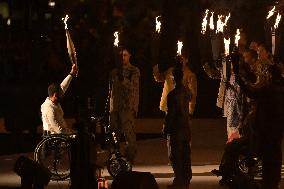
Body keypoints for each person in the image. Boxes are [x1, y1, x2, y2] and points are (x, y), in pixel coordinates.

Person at [153, 52, 197, 164]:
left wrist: (190, 111)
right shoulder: (170, 71)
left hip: (183, 109)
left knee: (184, 134)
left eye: (183, 58)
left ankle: (184, 157)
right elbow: (158, 78)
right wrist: (155, 64)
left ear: (187, 60)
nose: (181, 60)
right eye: (179, 58)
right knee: (171, 134)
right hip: (170, 106)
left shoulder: (190, 75)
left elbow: (193, 94)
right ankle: (173, 158)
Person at [109, 48, 140, 163]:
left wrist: (123, 79)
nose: (123, 58)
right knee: (114, 133)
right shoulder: (114, 72)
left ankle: (129, 158)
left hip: (127, 107)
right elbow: (111, 91)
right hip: (115, 107)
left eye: (125, 55)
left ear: (129, 56)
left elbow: (133, 88)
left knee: (129, 134)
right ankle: (115, 157)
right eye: (121, 55)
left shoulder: (134, 70)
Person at [164, 65, 192, 189]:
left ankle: (179, 180)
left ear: (174, 78)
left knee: (175, 155)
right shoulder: (186, 92)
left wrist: (166, 127)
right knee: (185, 153)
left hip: (176, 128)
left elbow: (171, 113)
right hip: (186, 127)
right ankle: (186, 178)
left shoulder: (172, 95)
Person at [41, 64, 78, 135]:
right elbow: (58, 130)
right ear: (55, 95)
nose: (63, 94)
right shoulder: (48, 108)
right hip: (55, 137)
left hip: (62, 134)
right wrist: (72, 133)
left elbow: (63, 86)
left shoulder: (54, 100)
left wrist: (71, 73)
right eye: (61, 93)